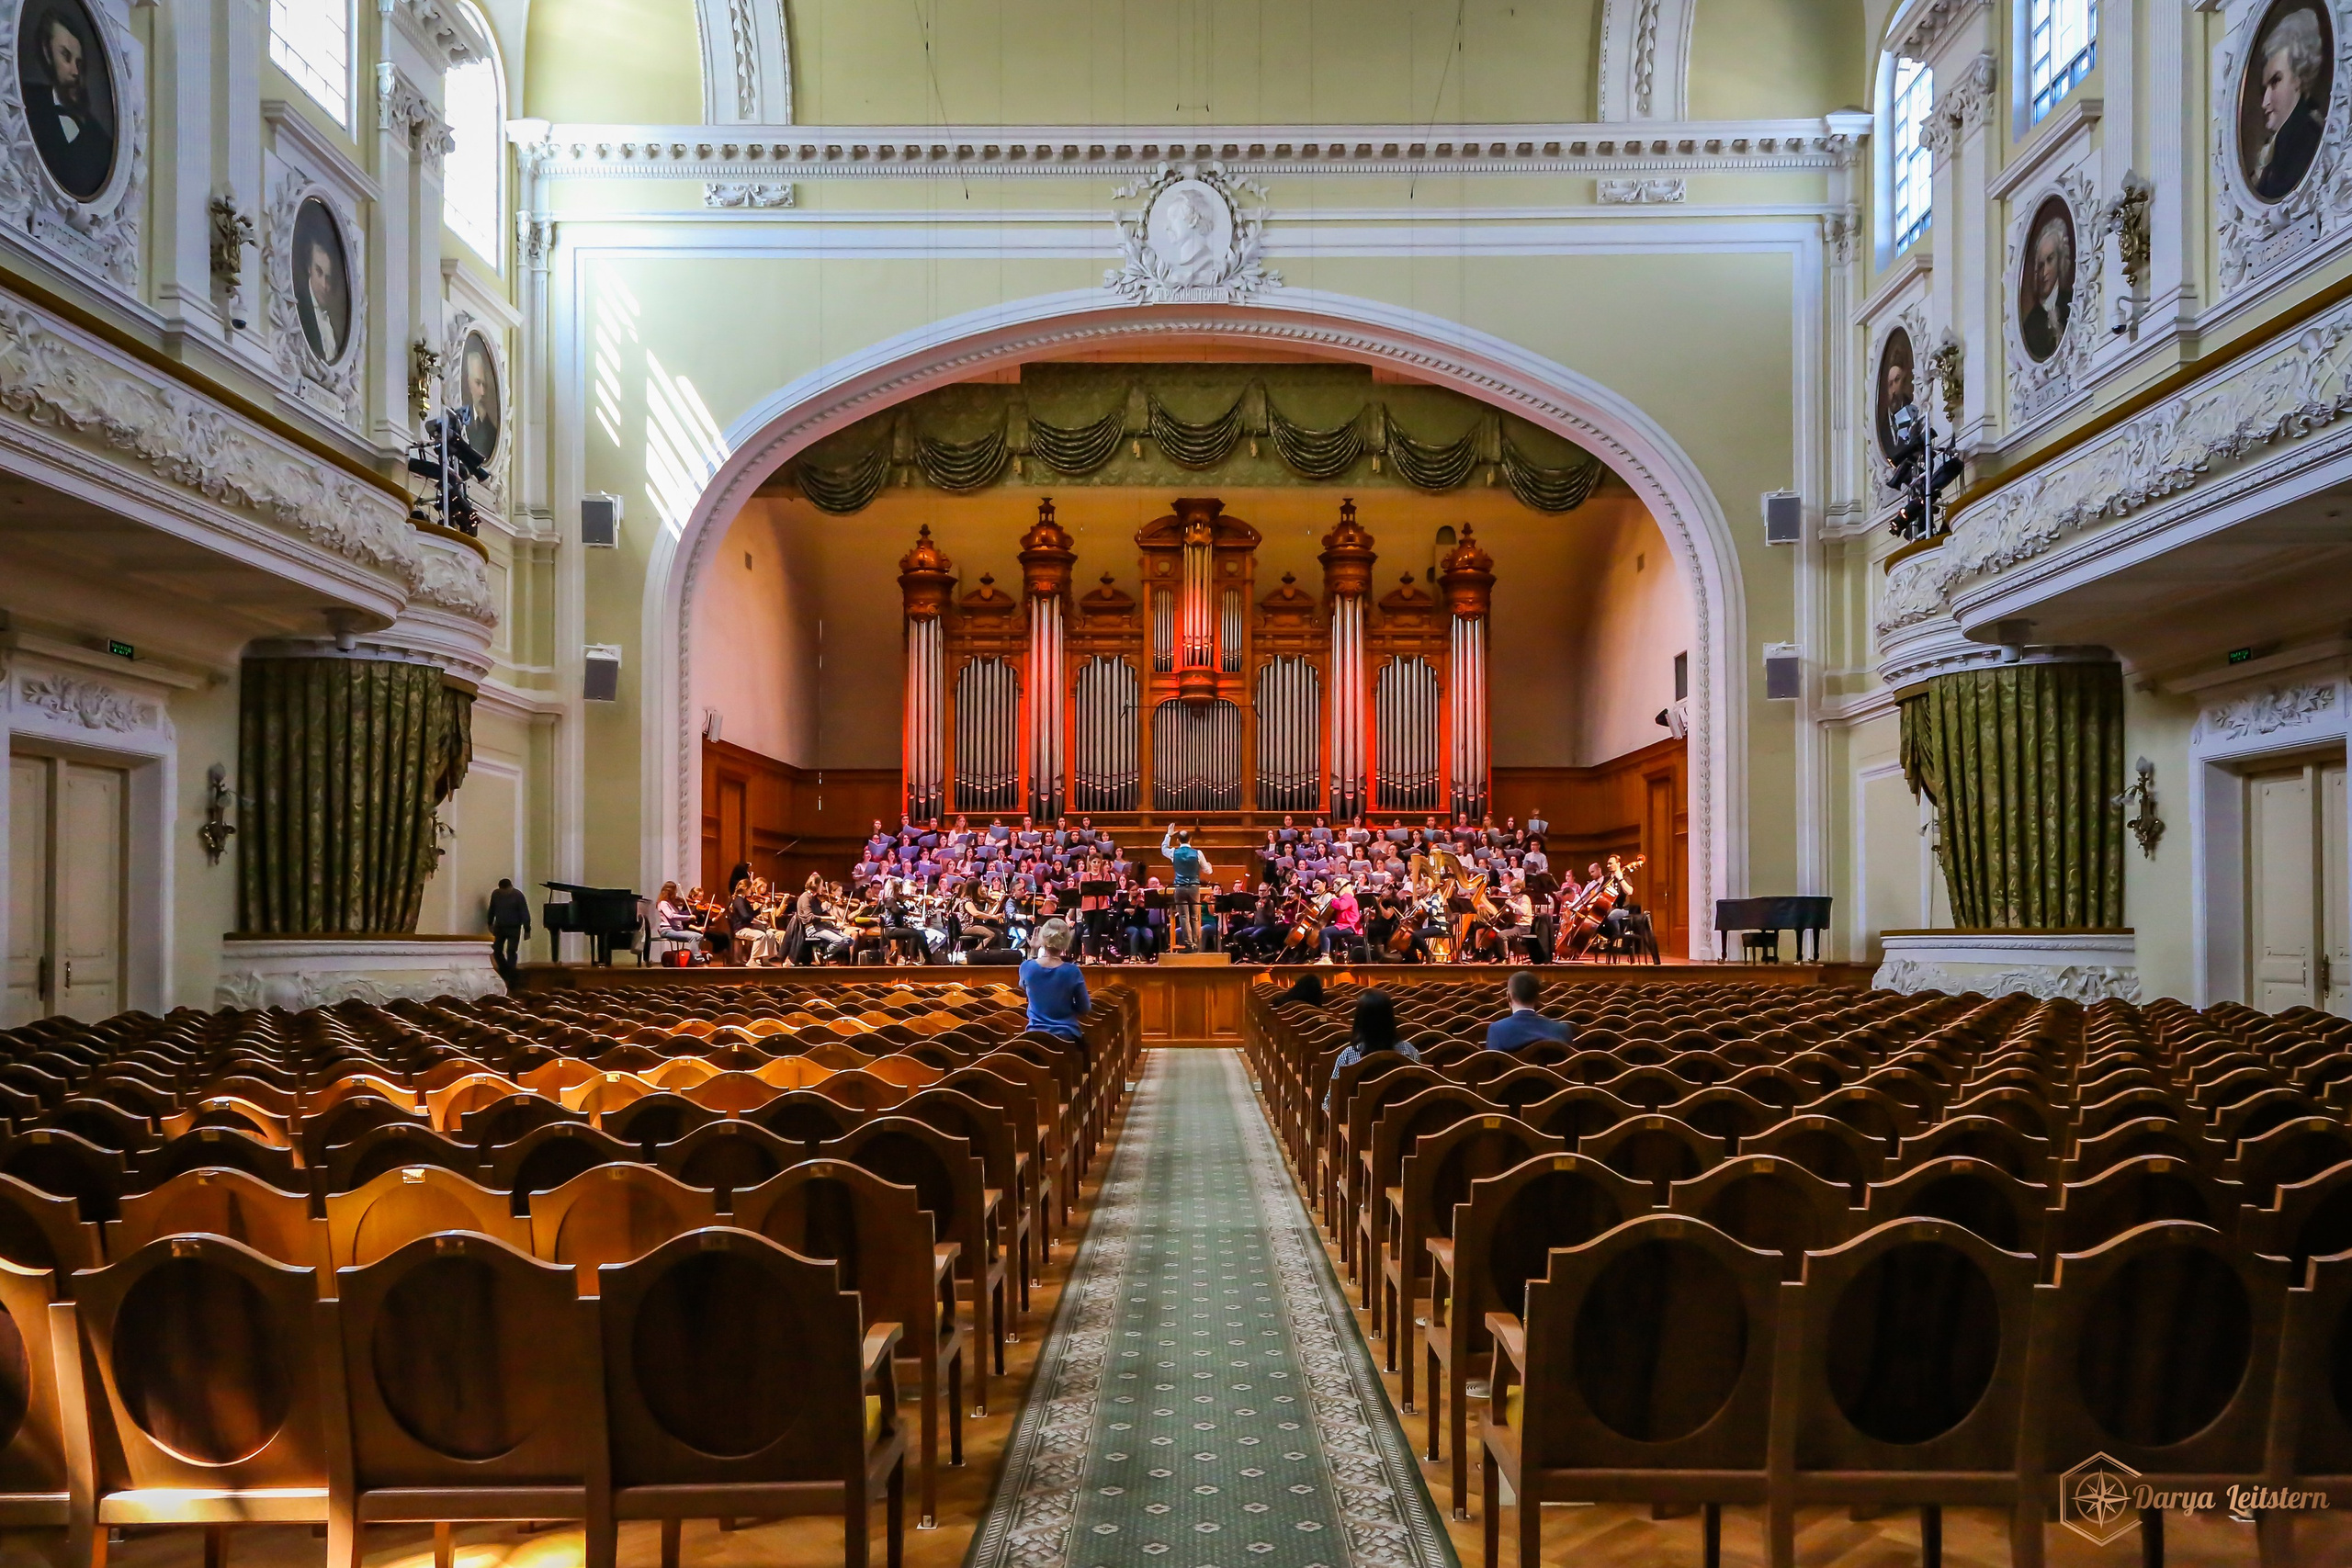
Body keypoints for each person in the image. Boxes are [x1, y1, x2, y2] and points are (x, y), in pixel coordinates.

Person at [25, 7, 112, 199]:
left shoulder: (100, 140)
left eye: (79, 63)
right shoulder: (25, 100)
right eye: (65, 56)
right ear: (47, 54)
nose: (75, 72)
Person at [2252, 6, 2329, 200]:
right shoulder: (2284, 143)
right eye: (2265, 88)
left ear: (2299, 77)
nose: (2265, 102)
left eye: (2276, 81)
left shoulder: (2304, 137)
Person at [1325, 988, 1420, 1109]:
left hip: (1358, 1125)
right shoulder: (1410, 1052)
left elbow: (1330, 1102)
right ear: (1391, 1018)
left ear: (1359, 1020)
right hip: (1402, 1124)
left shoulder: (1348, 1056)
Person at [1019, 918, 1092, 1041]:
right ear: (1066, 941)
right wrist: (1065, 1007)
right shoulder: (1072, 971)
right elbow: (1085, 1008)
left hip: (1034, 1036)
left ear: (1043, 938)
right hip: (1066, 1035)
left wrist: (1034, 951)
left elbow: (1024, 988)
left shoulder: (1027, 967)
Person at [1486, 970, 1574, 1052]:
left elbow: (1491, 1067)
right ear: (1537, 997)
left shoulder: (1497, 1030)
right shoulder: (1562, 1030)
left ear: (1508, 997)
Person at [1161, 824, 1213, 952]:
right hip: (1194, 887)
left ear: (1178, 840)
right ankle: (1196, 943)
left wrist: (1168, 834)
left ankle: (1189, 944)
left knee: (1184, 916)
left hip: (1179, 887)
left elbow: (1163, 849)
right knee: (1195, 916)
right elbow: (1208, 871)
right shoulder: (1198, 853)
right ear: (1190, 840)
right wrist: (1209, 866)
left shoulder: (1174, 852)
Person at [486, 877, 531, 983]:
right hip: (500, 927)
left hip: (514, 927)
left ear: (510, 887)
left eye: (506, 891)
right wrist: (490, 922)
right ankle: (504, 970)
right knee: (496, 950)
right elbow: (492, 908)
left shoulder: (518, 896)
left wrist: (527, 929)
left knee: (511, 951)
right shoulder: (496, 894)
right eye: (502, 891)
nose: (504, 893)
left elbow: (524, 912)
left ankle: (511, 975)